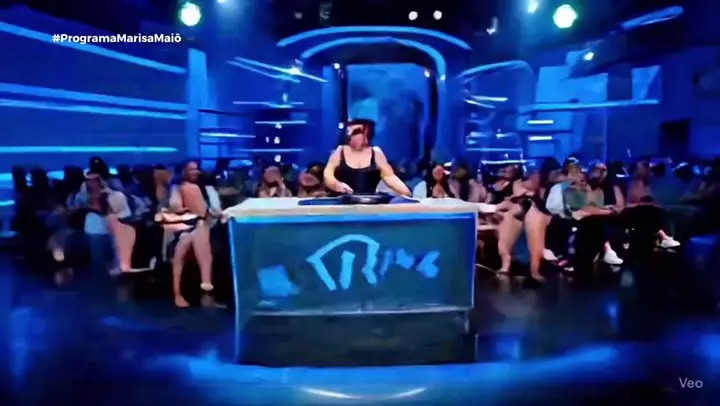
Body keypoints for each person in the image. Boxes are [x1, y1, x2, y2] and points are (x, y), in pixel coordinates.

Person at [164, 159, 224, 308]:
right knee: (185, 248)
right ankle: (180, 294)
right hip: (184, 227)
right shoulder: (180, 188)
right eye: (191, 169)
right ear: (184, 171)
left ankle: (205, 294)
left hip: (202, 227)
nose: (195, 172)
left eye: (196, 169)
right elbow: (176, 208)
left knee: (200, 239)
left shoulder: (205, 188)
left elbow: (210, 212)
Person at [324, 119, 410, 196]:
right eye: (356, 132)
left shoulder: (376, 153)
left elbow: (389, 177)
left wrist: (407, 193)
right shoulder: (340, 151)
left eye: (362, 132)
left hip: (368, 202)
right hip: (342, 202)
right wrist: (336, 185)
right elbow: (328, 176)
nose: (360, 137)